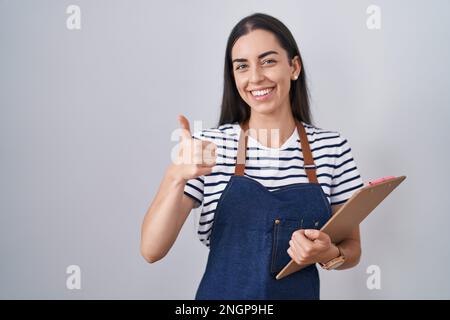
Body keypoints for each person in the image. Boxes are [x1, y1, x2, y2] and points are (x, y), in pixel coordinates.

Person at [140, 12, 364, 300]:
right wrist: (175, 175)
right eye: (242, 66)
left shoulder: (332, 148)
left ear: (294, 67)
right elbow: (151, 250)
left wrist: (329, 253)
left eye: (268, 61)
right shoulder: (208, 148)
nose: (256, 77)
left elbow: (353, 249)